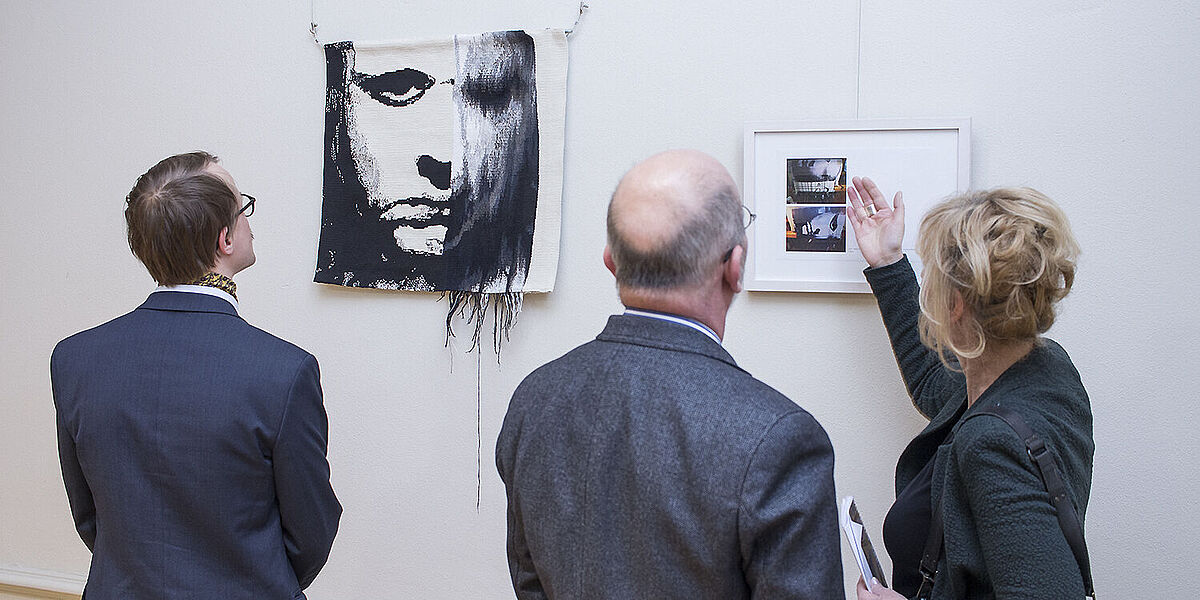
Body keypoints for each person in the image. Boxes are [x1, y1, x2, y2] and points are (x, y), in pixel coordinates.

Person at [496, 150, 843, 599]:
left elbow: (531, 584)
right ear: (735, 267)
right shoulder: (779, 439)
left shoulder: (535, 399)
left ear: (611, 262)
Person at [51, 152, 342, 599]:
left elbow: (90, 518)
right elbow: (311, 533)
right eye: (243, 207)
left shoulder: (75, 359)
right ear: (225, 239)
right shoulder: (284, 372)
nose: (249, 219)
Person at [845, 177, 1094, 599]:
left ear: (955, 304)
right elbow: (934, 385)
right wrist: (890, 265)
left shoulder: (993, 444)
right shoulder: (1044, 371)